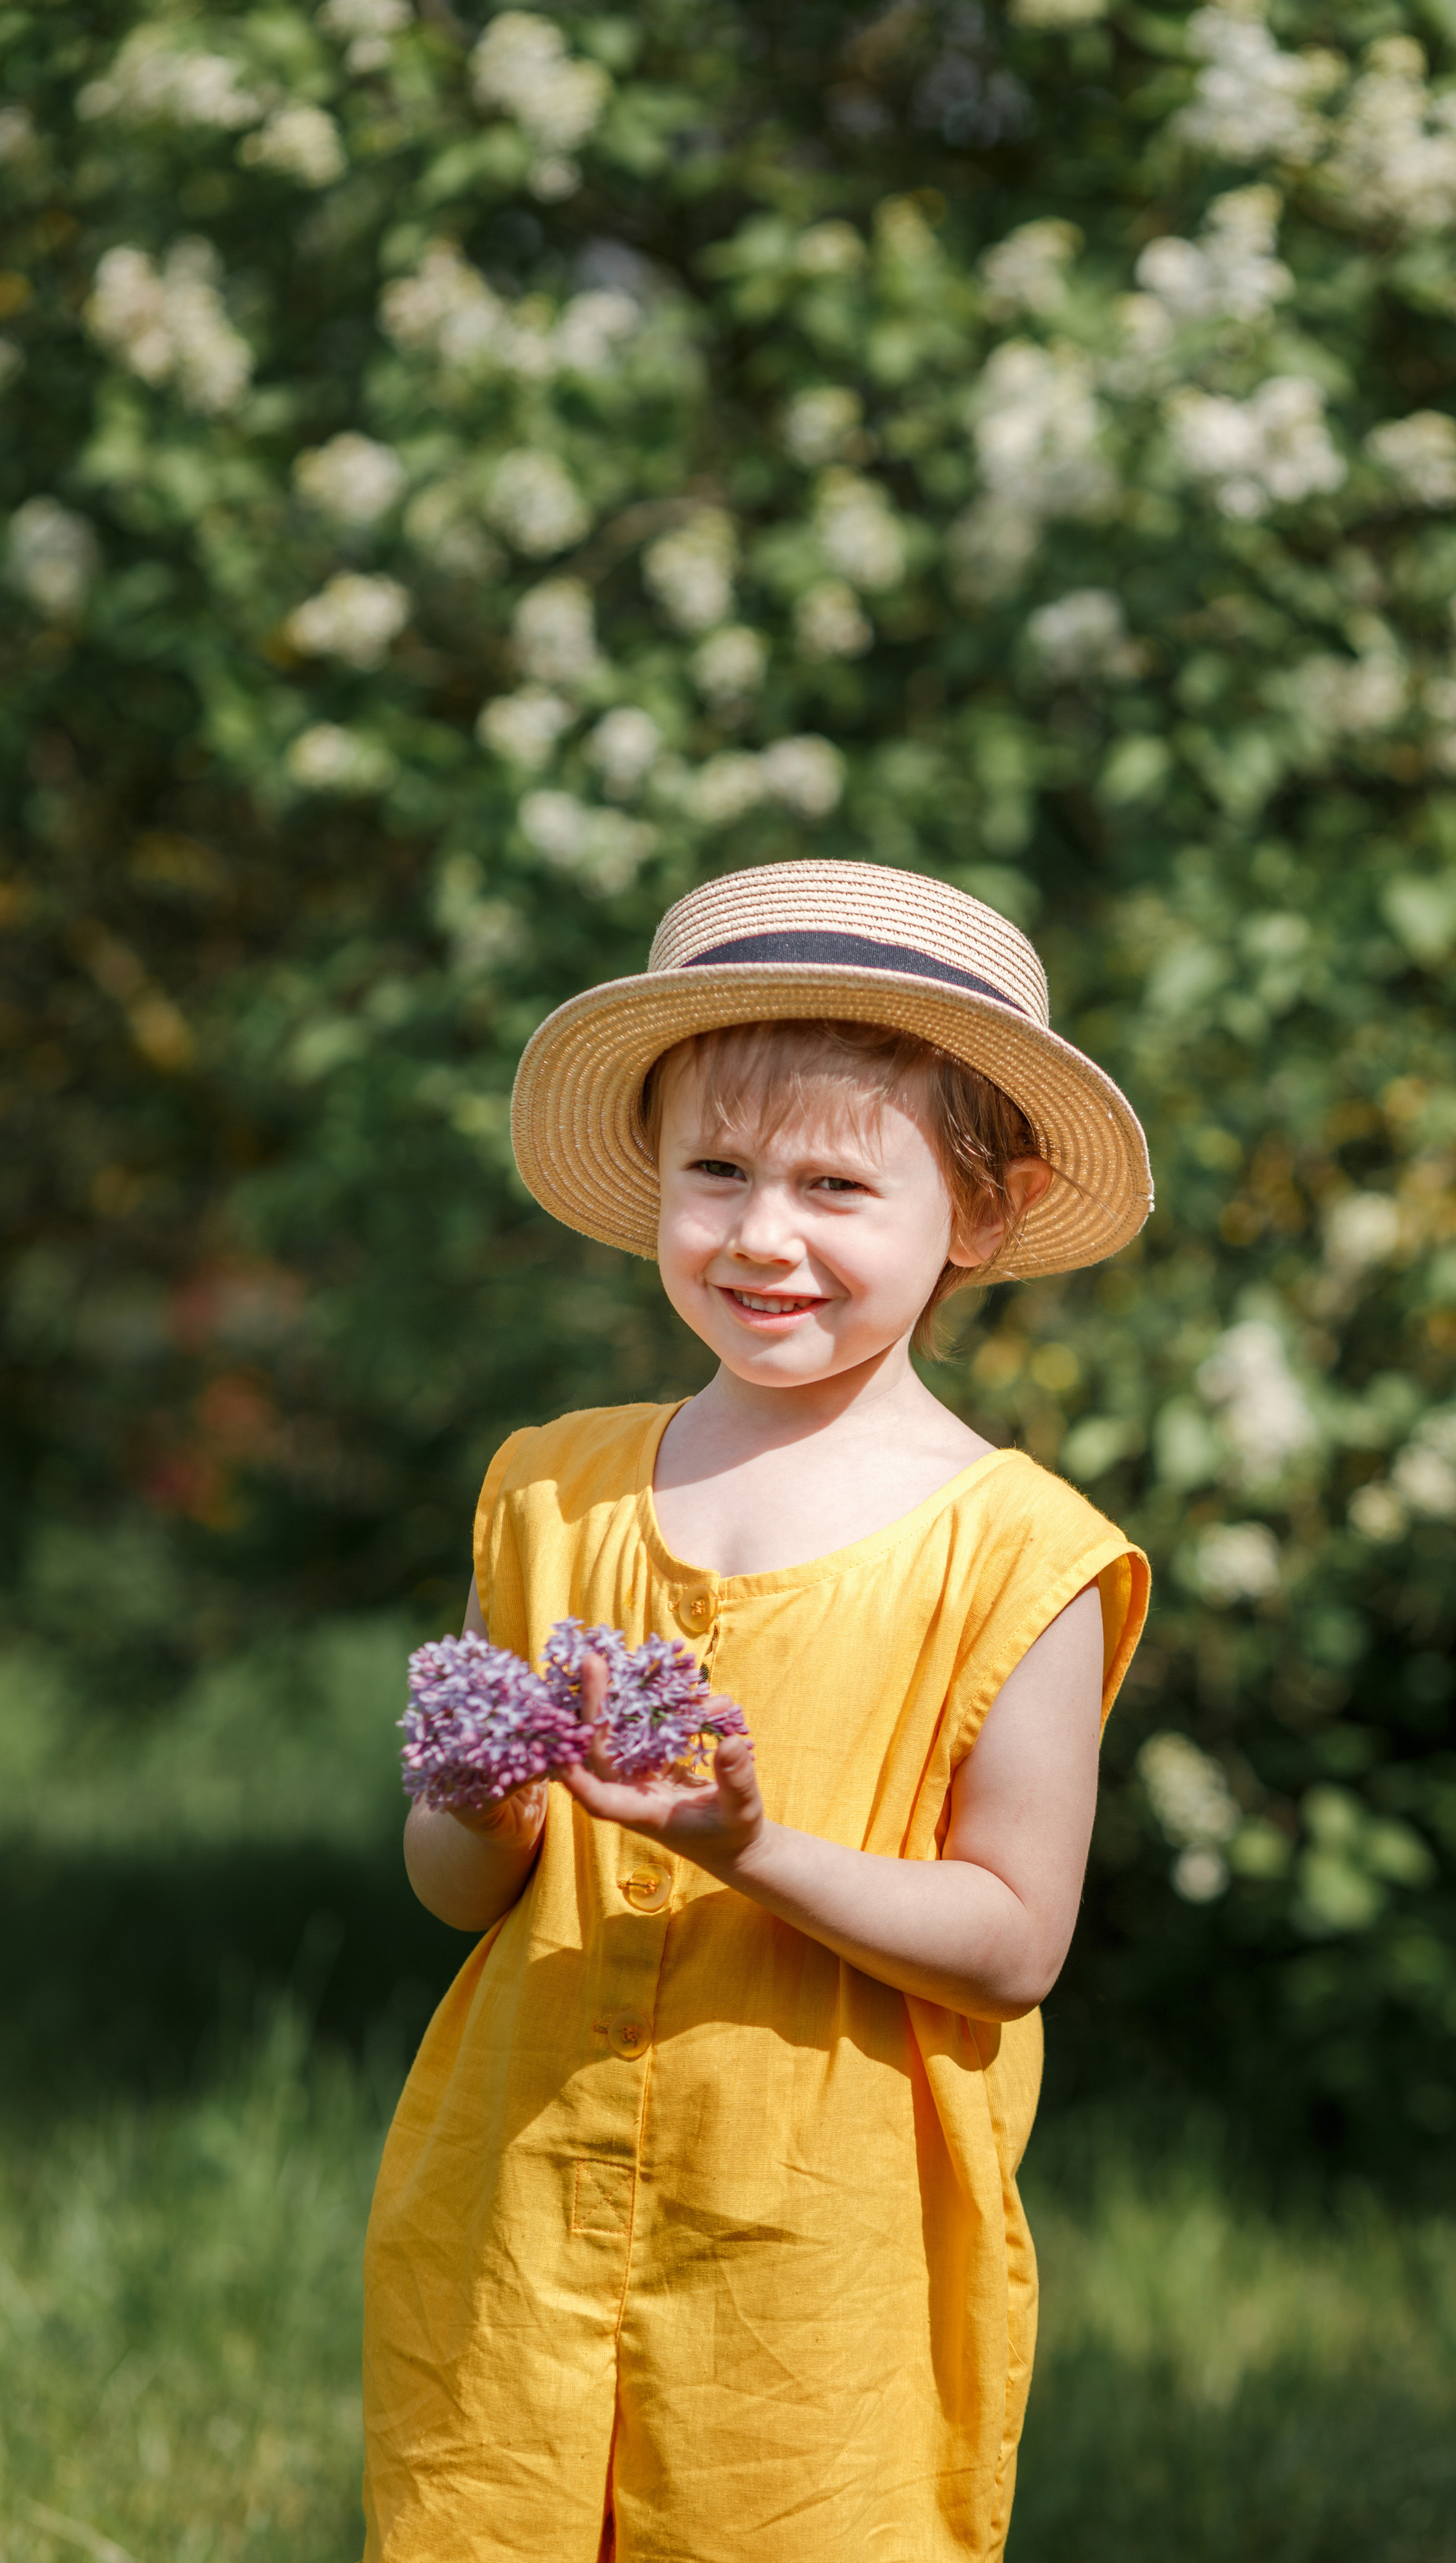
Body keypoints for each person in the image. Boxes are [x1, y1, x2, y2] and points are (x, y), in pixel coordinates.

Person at [362, 858, 1154, 2562]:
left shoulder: (1016, 1555)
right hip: (519, 2215)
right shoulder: (553, 1492)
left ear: (985, 1218)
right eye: (712, 1171)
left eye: (835, 1184)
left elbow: (1012, 1941)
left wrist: (750, 1844)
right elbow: (456, 1895)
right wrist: (475, 1802)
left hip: (815, 2262)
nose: (761, 1233)